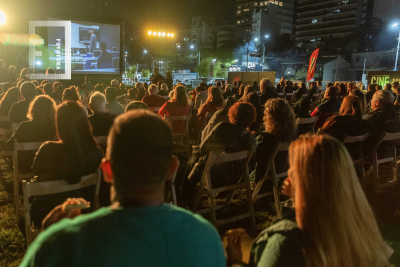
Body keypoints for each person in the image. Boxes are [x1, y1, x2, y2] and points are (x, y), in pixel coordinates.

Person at [21, 110, 225, 267]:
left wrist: (47, 241)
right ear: (171, 169)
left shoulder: (61, 243)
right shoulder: (206, 237)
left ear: (107, 170)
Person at [227, 134, 393, 267]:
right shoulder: (356, 228)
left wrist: (235, 263)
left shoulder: (287, 242)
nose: (288, 172)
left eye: (292, 166)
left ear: (306, 179)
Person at [29, 101, 103, 228]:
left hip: (49, 213)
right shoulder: (96, 153)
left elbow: (35, 171)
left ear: (59, 123)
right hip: (84, 210)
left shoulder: (49, 149)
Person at [182, 102, 257, 201]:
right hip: (235, 179)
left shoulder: (222, 127)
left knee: (196, 158)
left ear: (232, 113)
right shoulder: (250, 139)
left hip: (213, 177)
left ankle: (184, 195)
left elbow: (203, 148)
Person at [250, 98, 297, 187]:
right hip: (283, 172)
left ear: (269, 116)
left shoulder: (266, 138)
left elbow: (254, 156)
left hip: (264, 178)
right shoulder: (292, 135)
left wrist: (251, 138)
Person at [6, 95, 57, 172]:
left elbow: (9, 145)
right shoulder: (55, 127)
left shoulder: (24, 126)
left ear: (33, 109)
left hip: (26, 165)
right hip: (50, 164)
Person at [363, 89, 400, 159]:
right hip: (388, 151)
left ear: (377, 102)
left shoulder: (375, 117)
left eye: (372, 99)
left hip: (372, 153)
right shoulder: (395, 116)